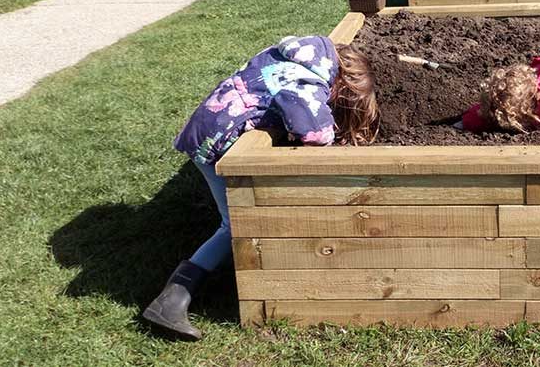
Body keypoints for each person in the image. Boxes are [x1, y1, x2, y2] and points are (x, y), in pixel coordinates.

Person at [146, 36, 378, 341]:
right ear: (342, 88)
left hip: (211, 124)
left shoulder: (299, 56)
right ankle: (172, 298)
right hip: (219, 145)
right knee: (235, 224)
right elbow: (315, 133)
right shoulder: (307, 83)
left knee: (235, 219)